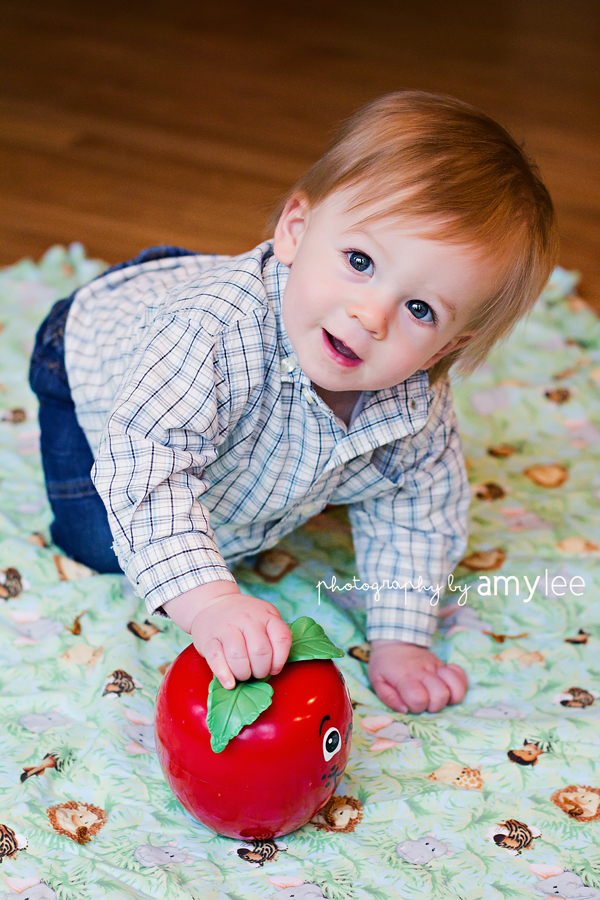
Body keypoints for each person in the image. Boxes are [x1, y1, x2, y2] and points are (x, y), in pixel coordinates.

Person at [29, 91, 557, 714]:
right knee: (104, 541)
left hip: (233, 406)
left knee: (302, 497)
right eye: (359, 261)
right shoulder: (210, 335)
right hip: (98, 359)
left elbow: (422, 512)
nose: (372, 315)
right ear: (295, 229)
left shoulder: (418, 401)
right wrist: (210, 600)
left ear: (450, 345)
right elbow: (144, 467)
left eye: (421, 310)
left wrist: (401, 639)